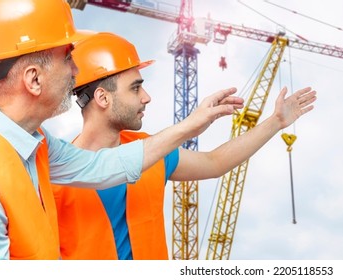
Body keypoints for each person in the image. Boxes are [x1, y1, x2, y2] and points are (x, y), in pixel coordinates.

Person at [0, 0, 243, 260]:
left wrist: (192, 124)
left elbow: (104, 166)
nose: (77, 72)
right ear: (33, 79)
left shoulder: (32, 144)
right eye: (68, 58)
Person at [53, 32, 317, 260]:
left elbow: (215, 162)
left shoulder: (149, 150)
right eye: (135, 89)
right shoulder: (54, 175)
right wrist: (191, 125)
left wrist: (276, 122)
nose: (146, 97)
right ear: (102, 97)